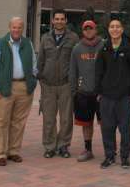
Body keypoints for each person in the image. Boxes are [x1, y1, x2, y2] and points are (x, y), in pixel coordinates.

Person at [0, 17, 38, 166]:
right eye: (14, 27)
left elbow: (34, 65)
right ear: (9, 27)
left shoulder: (28, 43)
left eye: (19, 27)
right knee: (1, 121)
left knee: (19, 122)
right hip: (5, 86)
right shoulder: (1, 43)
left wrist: (32, 81)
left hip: (24, 87)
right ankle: (0, 154)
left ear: (22, 29)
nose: (16, 30)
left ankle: (14, 151)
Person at [95, 19, 130, 169]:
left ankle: (125, 157)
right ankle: (109, 156)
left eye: (117, 27)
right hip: (106, 97)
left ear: (122, 30)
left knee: (125, 129)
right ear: (108, 30)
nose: (115, 29)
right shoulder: (103, 50)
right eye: (112, 27)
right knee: (107, 128)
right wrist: (99, 93)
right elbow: (98, 73)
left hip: (125, 98)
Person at [38, 9, 79, 159]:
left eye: (62, 19)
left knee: (66, 118)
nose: (59, 21)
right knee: (48, 118)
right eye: (57, 19)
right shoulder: (45, 38)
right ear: (53, 21)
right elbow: (40, 60)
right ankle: (49, 146)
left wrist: (74, 81)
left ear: (66, 21)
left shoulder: (73, 38)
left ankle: (63, 146)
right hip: (48, 85)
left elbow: (76, 61)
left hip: (66, 84)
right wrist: (41, 78)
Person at [70, 20, 104, 162]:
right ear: (82, 31)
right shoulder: (77, 48)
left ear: (96, 30)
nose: (88, 31)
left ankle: (110, 149)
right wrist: (74, 91)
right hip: (84, 93)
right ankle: (88, 149)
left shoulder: (103, 46)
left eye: (91, 28)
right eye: (86, 29)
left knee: (106, 123)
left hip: (102, 93)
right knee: (86, 123)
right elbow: (73, 71)